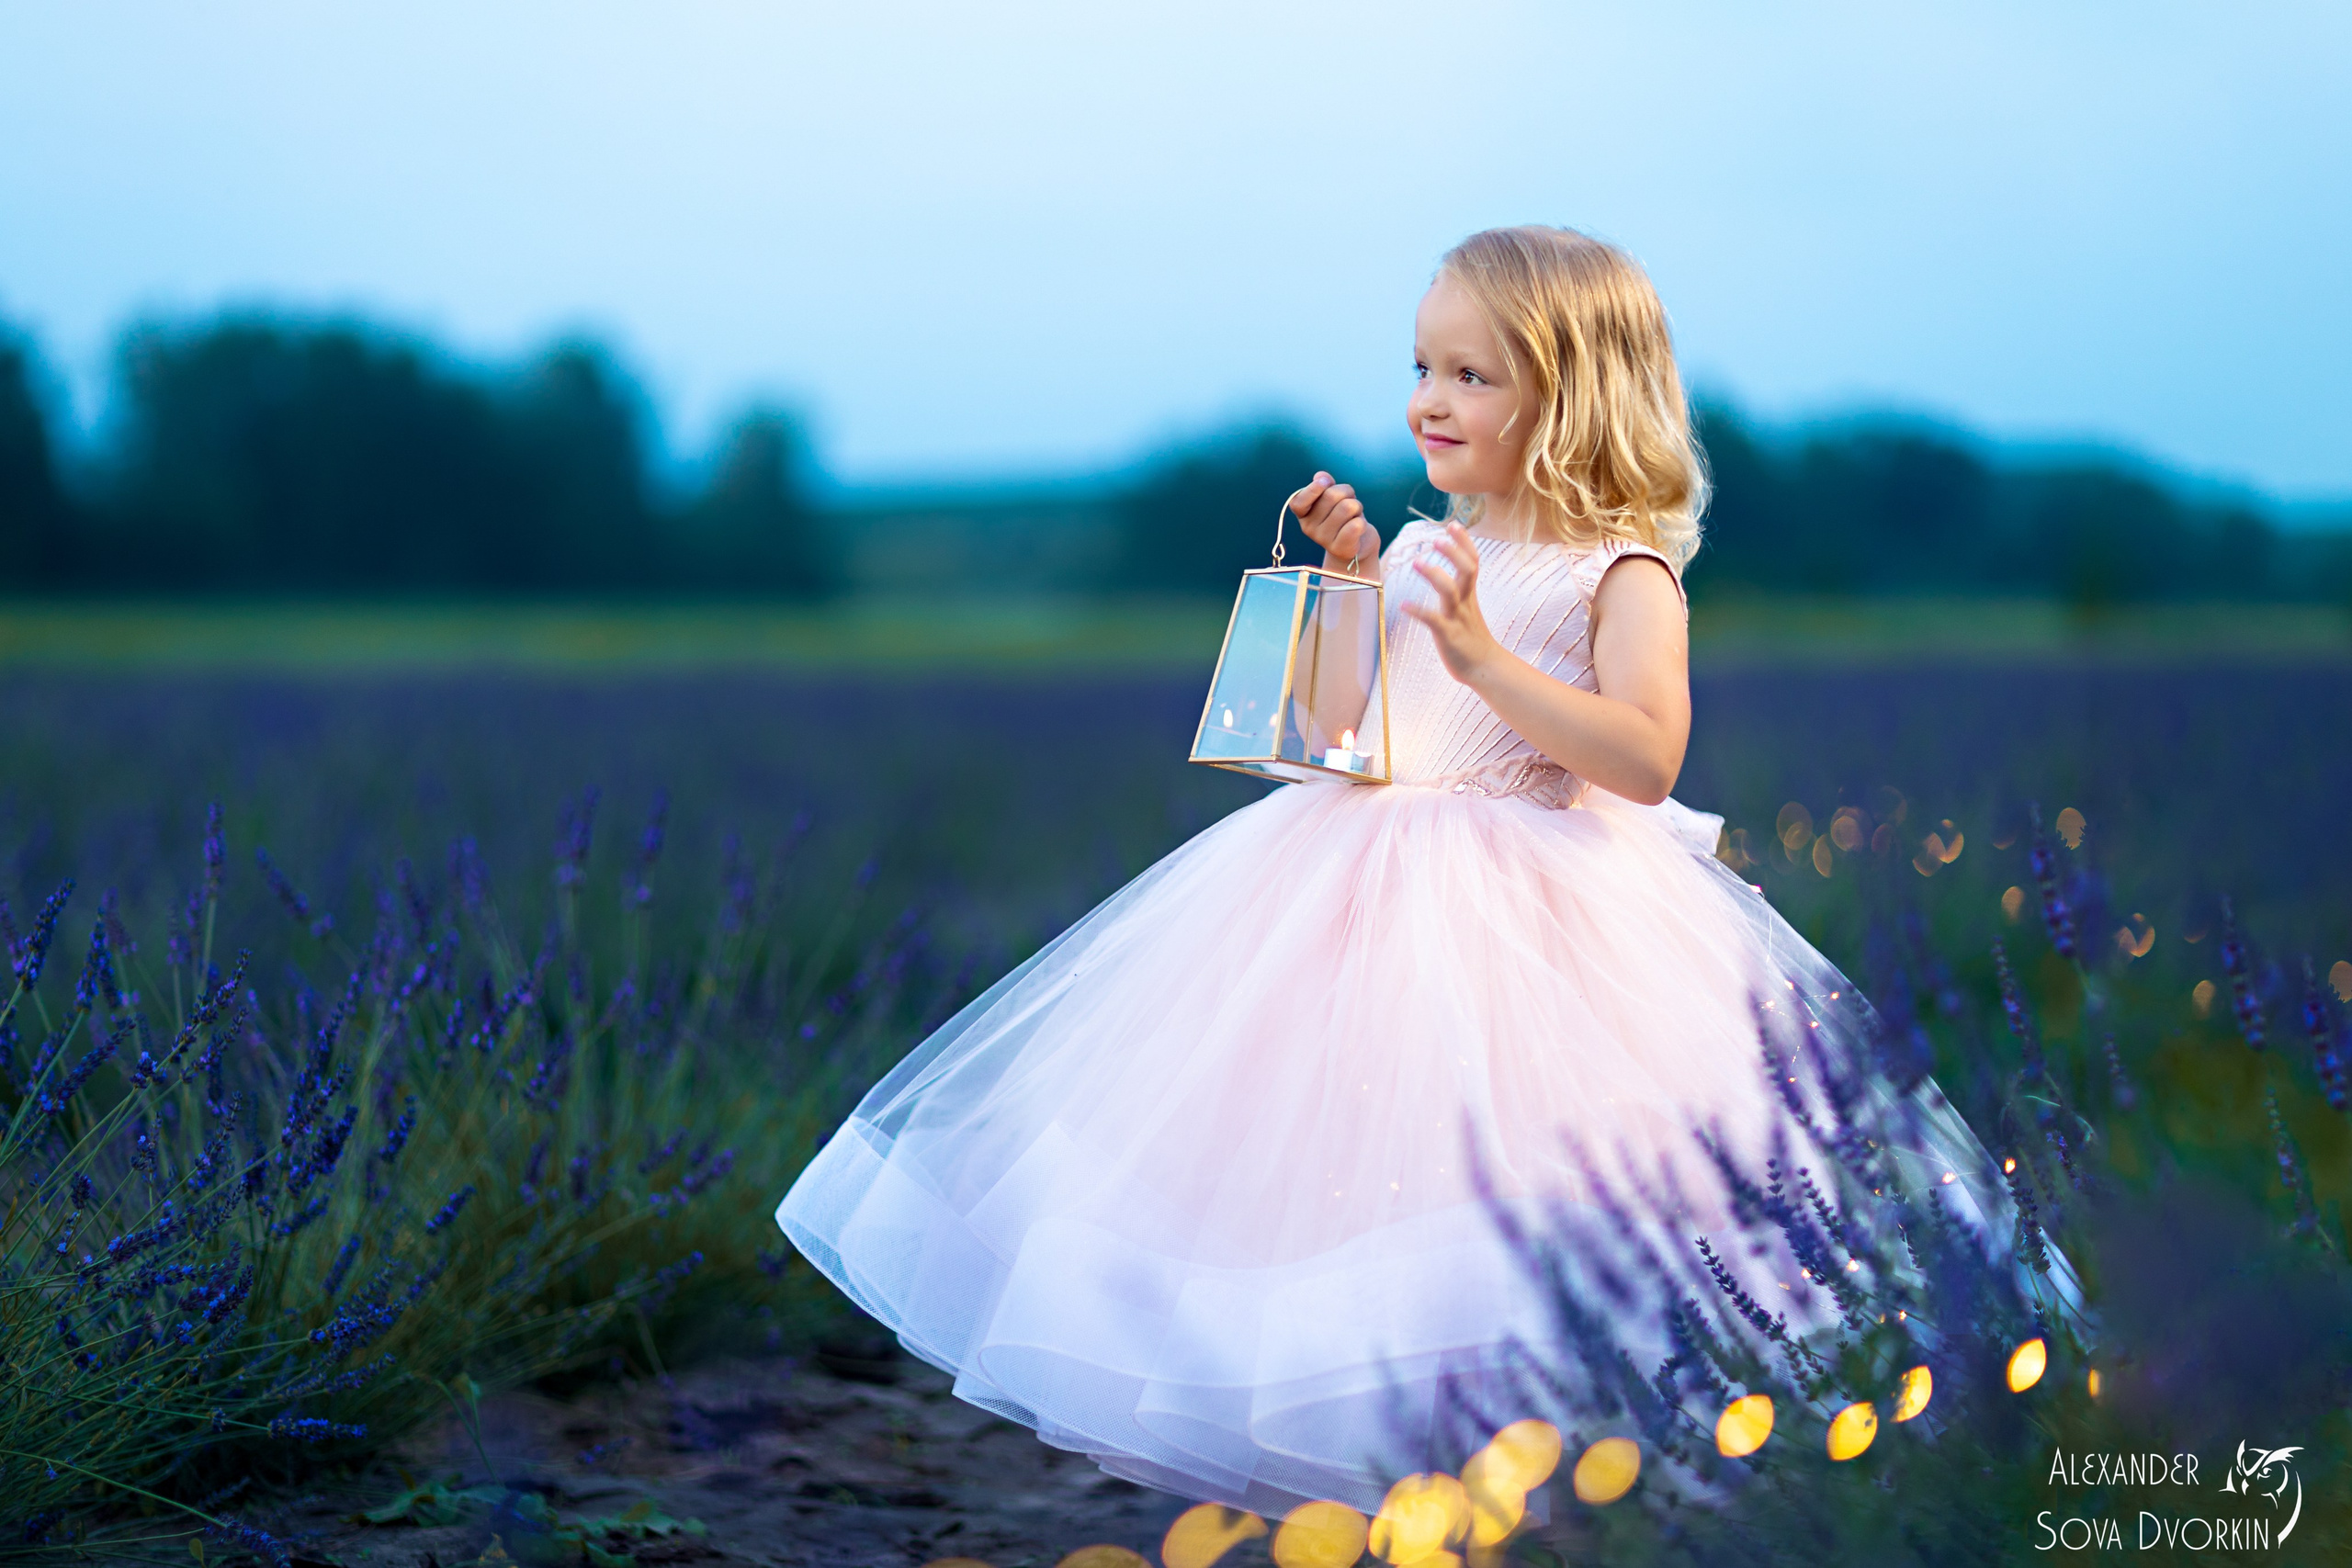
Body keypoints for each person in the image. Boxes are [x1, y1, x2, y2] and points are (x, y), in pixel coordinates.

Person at [775, 225, 2090, 1521]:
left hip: (1542, 923)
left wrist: (1481, 657)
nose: (1429, 403)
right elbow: (1348, 749)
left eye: (1474, 375)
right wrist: (1353, 588)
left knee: (1531, 1212)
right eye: (1421, 368)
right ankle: (1401, 1483)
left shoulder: (1619, 572)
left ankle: (1561, 1482)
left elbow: (1641, 757)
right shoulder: (1419, 551)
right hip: (1344, 900)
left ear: (1570, 394)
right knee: (1325, 1186)